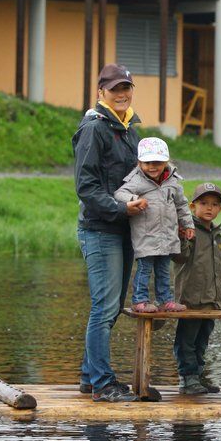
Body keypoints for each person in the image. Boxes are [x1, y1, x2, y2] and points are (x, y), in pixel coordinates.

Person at [73, 64, 144, 403]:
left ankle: (90, 376)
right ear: (100, 92)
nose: (121, 94)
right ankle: (103, 383)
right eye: (115, 88)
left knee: (112, 307)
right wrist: (121, 209)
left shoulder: (131, 130)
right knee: (104, 307)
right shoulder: (94, 129)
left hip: (125, 227)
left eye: (126, 88)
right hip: (100, 229)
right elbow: (86, 187)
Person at [114, 137, 194, 314]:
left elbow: (181, 205)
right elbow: (119, 194)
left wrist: (188, 225)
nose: (152, 167)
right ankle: (139, 300)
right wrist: (135, 199)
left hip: (167, 236)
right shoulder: (136, 180)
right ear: (140, 163)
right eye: (147, 163)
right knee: (144, 269)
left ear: (166, 162)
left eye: (157, 163)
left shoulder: (173, 182)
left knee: (164, 270)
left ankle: (165, 300)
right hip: (146, 236)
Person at [172, 182, 221, 395]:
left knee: (202, 340)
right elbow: (179, 257)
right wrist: (181, 237)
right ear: (192, 206)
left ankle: (198, 376)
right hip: (190, 299)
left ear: (220, 209)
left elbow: (218, 269)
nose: (209, 208)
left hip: (212, 301)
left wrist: (220, 297)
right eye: (203, 203)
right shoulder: (189, 230)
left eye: (214, 204)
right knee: (187, 341)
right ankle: (188, 378)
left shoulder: (217, 234)